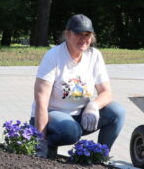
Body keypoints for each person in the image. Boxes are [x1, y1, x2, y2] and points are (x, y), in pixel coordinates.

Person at [32, 14, 125, 158]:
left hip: (80, 116)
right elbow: (41, 102)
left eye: (87, 35)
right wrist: (40, 141)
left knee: (117, 112)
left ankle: (100, 156)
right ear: (68, 34)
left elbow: (106, 92)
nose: (83, 39)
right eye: (78, 34)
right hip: (52, 116)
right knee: (71, 131)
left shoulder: (95, 56)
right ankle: (49, 144)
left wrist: (93, 106)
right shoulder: (53, 56)